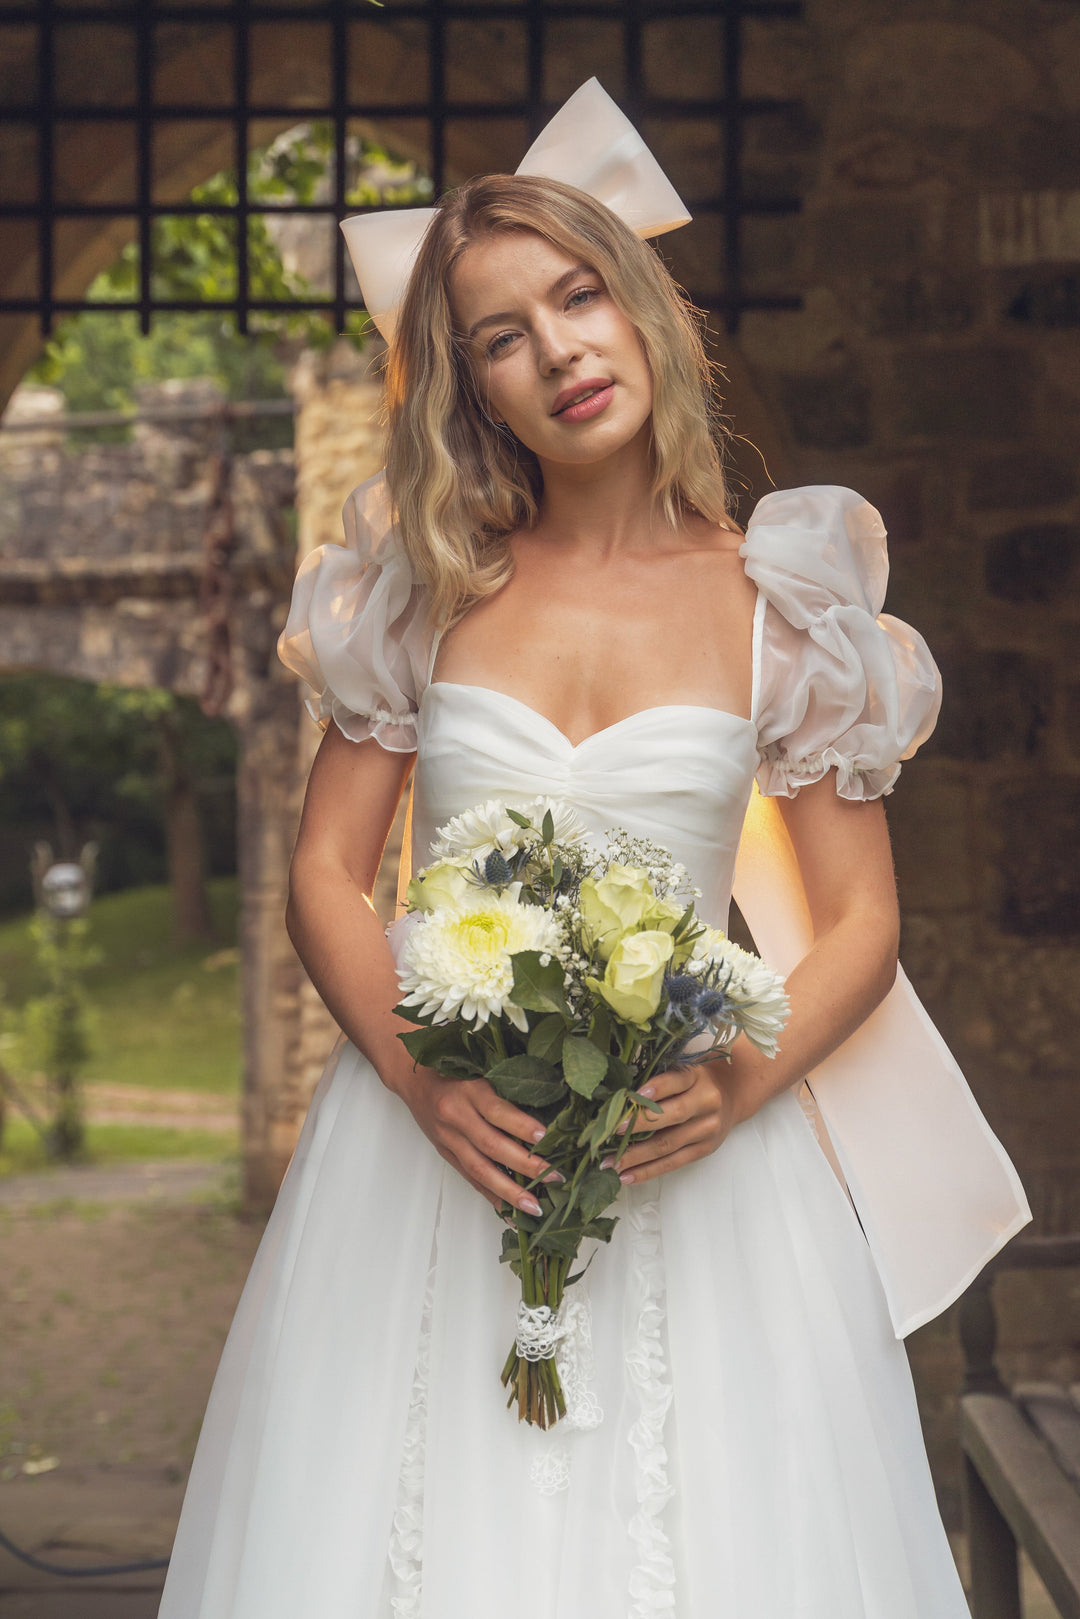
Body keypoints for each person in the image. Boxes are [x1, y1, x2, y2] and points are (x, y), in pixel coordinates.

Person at [157, 80, 1030, 1619]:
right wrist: (424, 1082)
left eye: (577, 297)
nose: (557, 350)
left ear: (642, 313)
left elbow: (860, 926)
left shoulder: (784, 608)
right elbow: (322, 874)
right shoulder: (420, 589)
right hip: (436, 1161)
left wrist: (739, 1081)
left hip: (700, 1165)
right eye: (500, 333)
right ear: (473, 387)